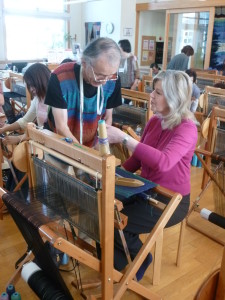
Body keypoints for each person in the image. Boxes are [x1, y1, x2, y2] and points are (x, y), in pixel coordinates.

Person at [106, 70, 198, 281]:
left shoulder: (187, 129)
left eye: (158, 92)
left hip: (171, 200)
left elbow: (163, 162)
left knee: (117, 223)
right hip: (146, 189)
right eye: (152, 90)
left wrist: (123, 139)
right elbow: (137, 161)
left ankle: (139, 258)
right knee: (102, 208)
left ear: (174, 98)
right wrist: (112, 175)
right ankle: (117, 263)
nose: (151, 96)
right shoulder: (155, 122)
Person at [45, 37, 122, 147]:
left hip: (93, 143)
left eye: (109, 76)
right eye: (99, 75)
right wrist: (85, 154)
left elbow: (107, 118)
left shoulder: (113, 80)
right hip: (61, 142)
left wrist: (100, 144)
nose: (104, 82)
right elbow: (61, 127)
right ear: (84, 62)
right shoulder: (60, 78)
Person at [0, 63, 51, 144]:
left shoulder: (54, 101)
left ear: (41, 81)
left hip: (51, 143)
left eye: (33, 85)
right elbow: (25, 121)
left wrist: (19, 138)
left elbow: (50, 133)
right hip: (43, 142)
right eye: (29, 85)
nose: (31, 89)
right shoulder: (37, 99)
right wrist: (3, 129)